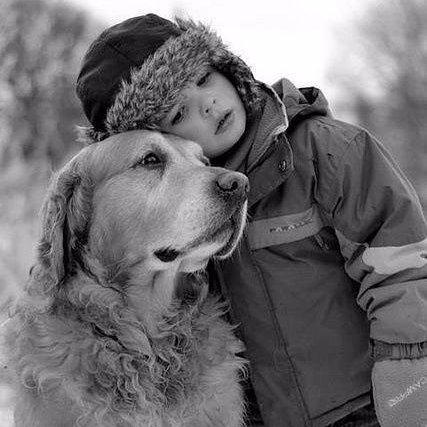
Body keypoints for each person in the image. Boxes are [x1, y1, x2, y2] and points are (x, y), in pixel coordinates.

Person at [75, 14, 427, 427]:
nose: (207, 103)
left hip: (361, 405)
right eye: (178, 112)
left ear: (228, 68)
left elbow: (401, 265)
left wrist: (405, 371)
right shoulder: (173, 220)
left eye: (204, 77)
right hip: (250, 414)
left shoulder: (326, 151)